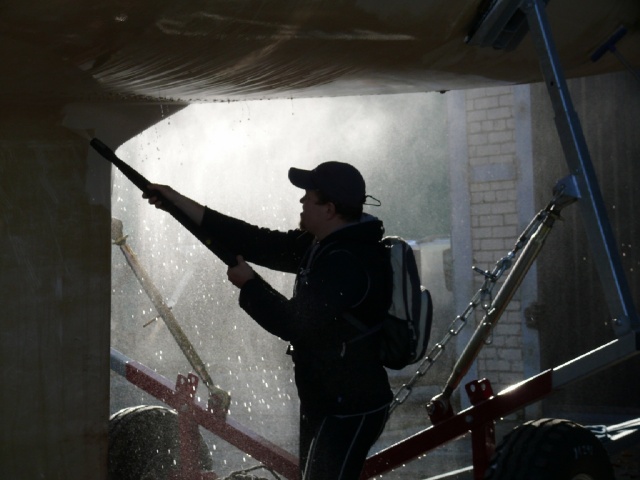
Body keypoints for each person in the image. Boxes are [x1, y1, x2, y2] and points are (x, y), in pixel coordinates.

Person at [144, 161, 393, 480]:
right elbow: (252, 240)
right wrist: (176, 201)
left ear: (329, 209)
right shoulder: (322, 245)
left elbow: (294, 324)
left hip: (349, 406)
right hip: (328, 399)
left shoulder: (347, 261)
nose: (301, 201)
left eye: (308, 196)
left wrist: (250, 285)